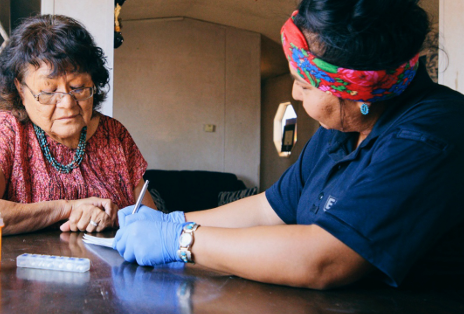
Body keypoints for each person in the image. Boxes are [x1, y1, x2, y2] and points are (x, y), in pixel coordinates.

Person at [113, 0, 464, 289]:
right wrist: (170, 220)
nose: (295, 93)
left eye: (306, 85)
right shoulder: (341, 127)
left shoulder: (431, 135)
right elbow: (270, 209)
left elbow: (325, 259)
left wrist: (181, 240)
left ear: (361, 92)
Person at [0, 15, 155, 235]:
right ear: (21, 90)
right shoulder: (8, 131)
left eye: (78, 87)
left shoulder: (114, 134)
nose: (67, 103)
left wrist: (114, 216)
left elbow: (152, 220)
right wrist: (68, 207)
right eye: (49, 91)